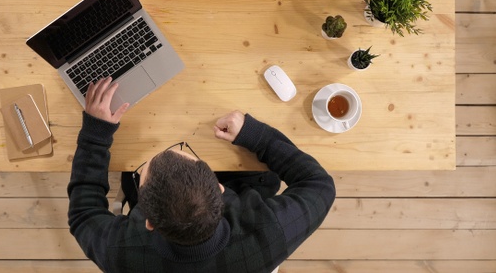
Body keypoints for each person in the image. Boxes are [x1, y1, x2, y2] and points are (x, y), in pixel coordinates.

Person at [67, 77, 336, 273]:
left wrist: (95, 133)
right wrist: (257, 136)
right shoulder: (269, 235)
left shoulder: (122, 256)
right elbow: (319, 184)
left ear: (148, 222)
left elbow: (83, 216)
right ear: (219, 189)